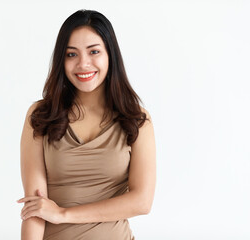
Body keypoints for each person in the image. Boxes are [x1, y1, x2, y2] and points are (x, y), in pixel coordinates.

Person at [17, 9, 156, 240]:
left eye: (94, 52)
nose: (83, 63)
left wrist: (63, 214)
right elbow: (35, 208)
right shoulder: (41, 115)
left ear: (110, 54)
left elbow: (142, 202)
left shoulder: (137, 119)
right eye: (72, 54)